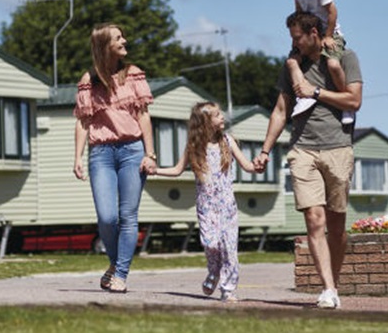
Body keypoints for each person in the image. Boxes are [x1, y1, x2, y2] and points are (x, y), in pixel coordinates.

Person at [253, 11, 363, 309]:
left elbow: (354, 101)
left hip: (338, 146)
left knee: (337, 227)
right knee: (314, 219)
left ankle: (333, 285)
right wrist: (265, 150)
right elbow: (280, 111)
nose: (294, 44)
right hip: (302, 149)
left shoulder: (344, 57)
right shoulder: (293, 65)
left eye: (297, 37)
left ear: (314, 32)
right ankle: (327, 287)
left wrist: (315, 92)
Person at [73, 23, 158, 294]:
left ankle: (120, 273)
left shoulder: (132, 74)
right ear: (105, 45)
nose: (125, 40)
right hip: (101, 155)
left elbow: (144, 115)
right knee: (107, 217)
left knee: (128, 215)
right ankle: (115, 264)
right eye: (119, 38)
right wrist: (77, 157)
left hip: (132, 150)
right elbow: (83, 122)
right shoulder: (90, 80)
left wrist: (150, 153)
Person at [155, 101, 258, 302]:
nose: (223, 118)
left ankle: (228, 289)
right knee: (210, 244)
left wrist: (258, 165)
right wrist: (155, 170)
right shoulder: (194, 147)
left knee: (229, 247)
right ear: (205, 122)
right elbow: (176, 170)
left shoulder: (228, 141)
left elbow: (247, 166)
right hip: (206, 205)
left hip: (227, 205)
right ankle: (213, 272)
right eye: (217, 115)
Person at [287, 0, 356, 125]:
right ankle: (302, 95)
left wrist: (327, 36)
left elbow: (332, 12)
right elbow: (299, 9)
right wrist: (298, 34)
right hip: (309, 32)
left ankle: (345, 103)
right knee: (292, 61)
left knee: (332, 63)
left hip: (330, 33)